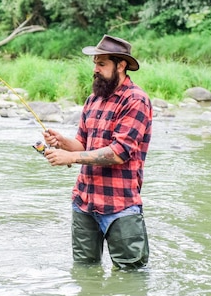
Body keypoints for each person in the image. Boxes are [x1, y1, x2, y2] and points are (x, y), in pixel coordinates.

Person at [43, 34, 152, 270]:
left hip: (120, 206)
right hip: (83, 203)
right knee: (84, 274)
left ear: (121, 65)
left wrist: (70, 157)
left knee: (130, 279)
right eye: (95, 63)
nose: (95, 69)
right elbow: (83, 144)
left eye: (101, 64)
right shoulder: (93, 99)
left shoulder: (136, 100)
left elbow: (119, 152)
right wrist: (63, 142)